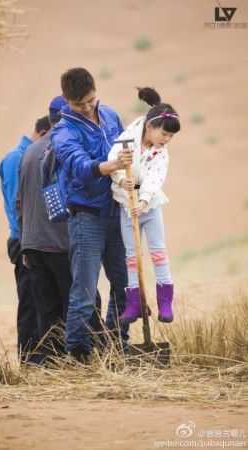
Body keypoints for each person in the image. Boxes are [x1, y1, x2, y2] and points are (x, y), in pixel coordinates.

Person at [50, 67, 133, 362]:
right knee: (84, 293)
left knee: (124, 287)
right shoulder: (62, 132)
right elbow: (81, 168)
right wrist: (113, 165)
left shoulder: (109, 114)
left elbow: (129, 144)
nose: (87, 108)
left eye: (91, 100)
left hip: (118, 212)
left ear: (96, 91)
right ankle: (78, 354)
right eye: (78, 104)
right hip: (86, 218)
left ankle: (116, 346)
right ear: (66, 100)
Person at [16, 95, 103, 361]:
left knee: (48, 311)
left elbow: (18, 203)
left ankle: (53, 366)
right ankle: (93, 360)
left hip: (33, 244)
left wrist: (24, 244)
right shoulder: (63, 149)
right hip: (62, 242)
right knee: (85, 302)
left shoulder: (29, 152)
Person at [108, 87, 180, 323]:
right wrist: (120, 178)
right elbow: (113, 162)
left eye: (171, 137)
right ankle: (134, 304)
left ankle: (165, 303)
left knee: (158, 252)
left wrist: (144, 200)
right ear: (150, 126)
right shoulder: (126, 139)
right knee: (132, 255)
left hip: (149, 205)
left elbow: (155, 178)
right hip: (126, 204)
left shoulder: (162, 152)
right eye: (165, 134)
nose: (167, 140)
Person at [0, 116, 50, 360]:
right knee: (29, 301)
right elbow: (15, 204)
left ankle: (42, 358)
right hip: (23, 239)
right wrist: (27, 243)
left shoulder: (27, 155)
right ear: (42, 134)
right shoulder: (15, 158)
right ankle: (29, 362)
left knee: (41, 299)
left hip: (34, 237)